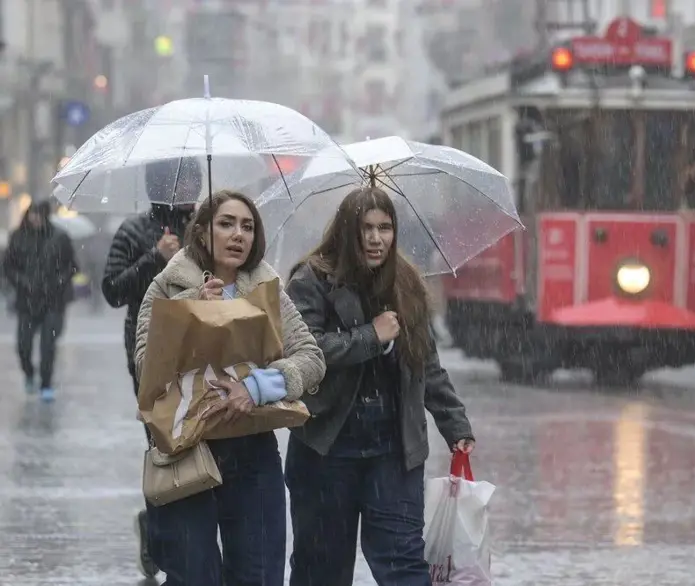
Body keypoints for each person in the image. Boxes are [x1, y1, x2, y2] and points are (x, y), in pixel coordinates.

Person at [285, 186, 475, 586]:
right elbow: (306, 352)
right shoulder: (311, 280)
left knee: (404, 564)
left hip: (393, 449)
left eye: (385, 227)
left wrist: (454, 423)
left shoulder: (406, 282)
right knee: (322, 568)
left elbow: (426, 363)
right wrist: (370, 336)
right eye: (365, 228)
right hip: (327, 448)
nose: (376, 238)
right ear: (346, 231)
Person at [134, 190, 325, 586]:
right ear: (202, 233)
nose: (238, 234)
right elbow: (145, 367)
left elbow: (310, 358)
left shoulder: (266, 288)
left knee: (259, 574)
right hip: (186, 452)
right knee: (194, 576)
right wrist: (191, 311)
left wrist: (256, 387)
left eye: (247, 226)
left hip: (252, 449)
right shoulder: (168, 286)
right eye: (226, 224)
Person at [101, 157, 201, 579]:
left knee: (198, 444)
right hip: (150, 358)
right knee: (164, 446)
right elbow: (112, 290)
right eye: (183, 181)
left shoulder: (205, 230)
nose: (190, 189)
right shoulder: (134, 231)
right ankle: (160, 532)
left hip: (199, 353)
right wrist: (153, 258)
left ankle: (186, 535)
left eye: (195, 180)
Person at [3, 200, 78, 402]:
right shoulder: (18, 237)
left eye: (38, 214)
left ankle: (46, 384)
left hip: (52, 302)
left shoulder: (60, 238)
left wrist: (56, 282)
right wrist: (23, 282)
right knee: (23, 345)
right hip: (27, 301)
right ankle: (29, 373)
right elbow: (8, 267)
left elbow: (72, 267)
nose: (35, 219)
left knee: (48, 345)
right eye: (32, 214)